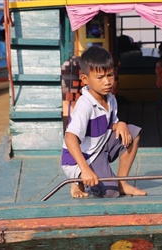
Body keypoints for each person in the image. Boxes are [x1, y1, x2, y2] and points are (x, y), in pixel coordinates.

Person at [61, 46, 147, 198]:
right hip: (82, 157)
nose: (107, 82)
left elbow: (109, 125)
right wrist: (85, 169)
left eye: (110, 75)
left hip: (100, 146)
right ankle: (77, 181)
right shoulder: (85, 104)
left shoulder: (111, 99)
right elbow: (70, 138)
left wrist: (120, 124)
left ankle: (122, 182)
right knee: (110, 193)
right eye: (100, 78)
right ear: (85, 79)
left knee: (132, 132)